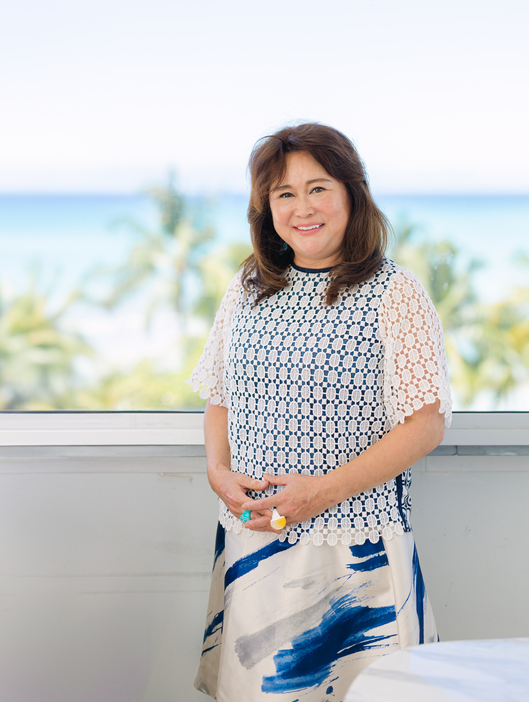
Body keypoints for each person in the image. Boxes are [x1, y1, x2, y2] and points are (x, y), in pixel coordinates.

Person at [188, 123, 452, 702]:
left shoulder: (396, 292)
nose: (302, 208)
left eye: (318, 188)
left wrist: (320, 493)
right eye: (284, 193)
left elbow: (426, 423)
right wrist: (217, 471)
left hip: (355, 558)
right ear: (267, 209)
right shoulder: (247, 286)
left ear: (352, 194)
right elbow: (219, 397)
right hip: (254, 547)